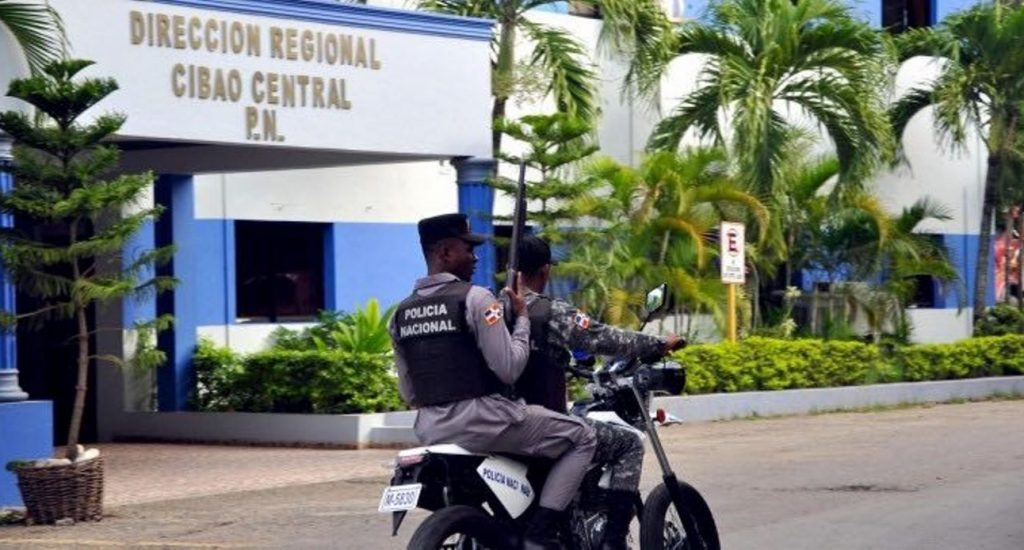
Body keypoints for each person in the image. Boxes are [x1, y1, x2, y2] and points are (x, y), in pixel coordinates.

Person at [390, 213, 597, 550]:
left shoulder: (400, 315)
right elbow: (510, 369)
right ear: (444, 253)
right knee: (582, 437)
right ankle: (541, 533)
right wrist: (523, 321)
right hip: (485, 422)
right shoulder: (477, 298)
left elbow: (409, 392)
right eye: (467, 249)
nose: (475, 257)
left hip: (430, 430)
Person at [514, 234, 684, 550]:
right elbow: (601, 337)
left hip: (499, 421)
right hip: (543, 422)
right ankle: (613, 541)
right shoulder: (549, 311)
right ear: (546, 270)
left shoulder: (489, 307)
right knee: (629, 443)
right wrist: (659, 344)